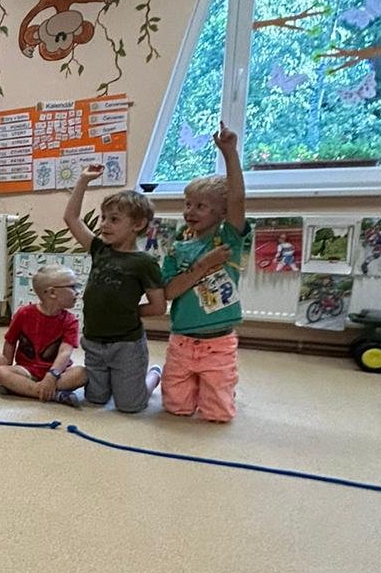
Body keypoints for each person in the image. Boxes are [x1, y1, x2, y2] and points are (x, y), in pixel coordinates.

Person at [160, 123, 248, 423]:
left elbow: (237, 200)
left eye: (201, 206)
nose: (190, 211)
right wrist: (203, 265)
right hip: (182, 341)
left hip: (218, 343)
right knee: (177, 408)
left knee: (217, 414)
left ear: (221, 213)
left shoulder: (228, 240)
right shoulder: (177, 249)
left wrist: (229, 153)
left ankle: (221, 386)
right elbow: (169, 292)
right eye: (188, 205)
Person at [63, 169, 165, 412]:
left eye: (114, 219)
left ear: (138, 224)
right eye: (103, 218)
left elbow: (159, 306)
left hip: (126, 345)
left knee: (130, 406)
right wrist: (83, 180)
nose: (104, 225)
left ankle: (153, 375)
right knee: (95, 400)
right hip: (94, 342)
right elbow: (71, 218)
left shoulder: (144, 262)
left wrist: (127, 312)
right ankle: (118, 380)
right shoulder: (99, 249)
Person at [0, 265, 88, 405]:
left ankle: (29, 389)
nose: (77, 292)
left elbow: (65, 352)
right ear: (52, 292)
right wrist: (8, 366)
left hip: (58, 372)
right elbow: (10, 341)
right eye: (72, 287)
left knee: (83, 373)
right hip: (27, 370)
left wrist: (52, 375)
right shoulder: (24, 313)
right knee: (0, 372)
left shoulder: (70, 320)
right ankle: (53, 394)